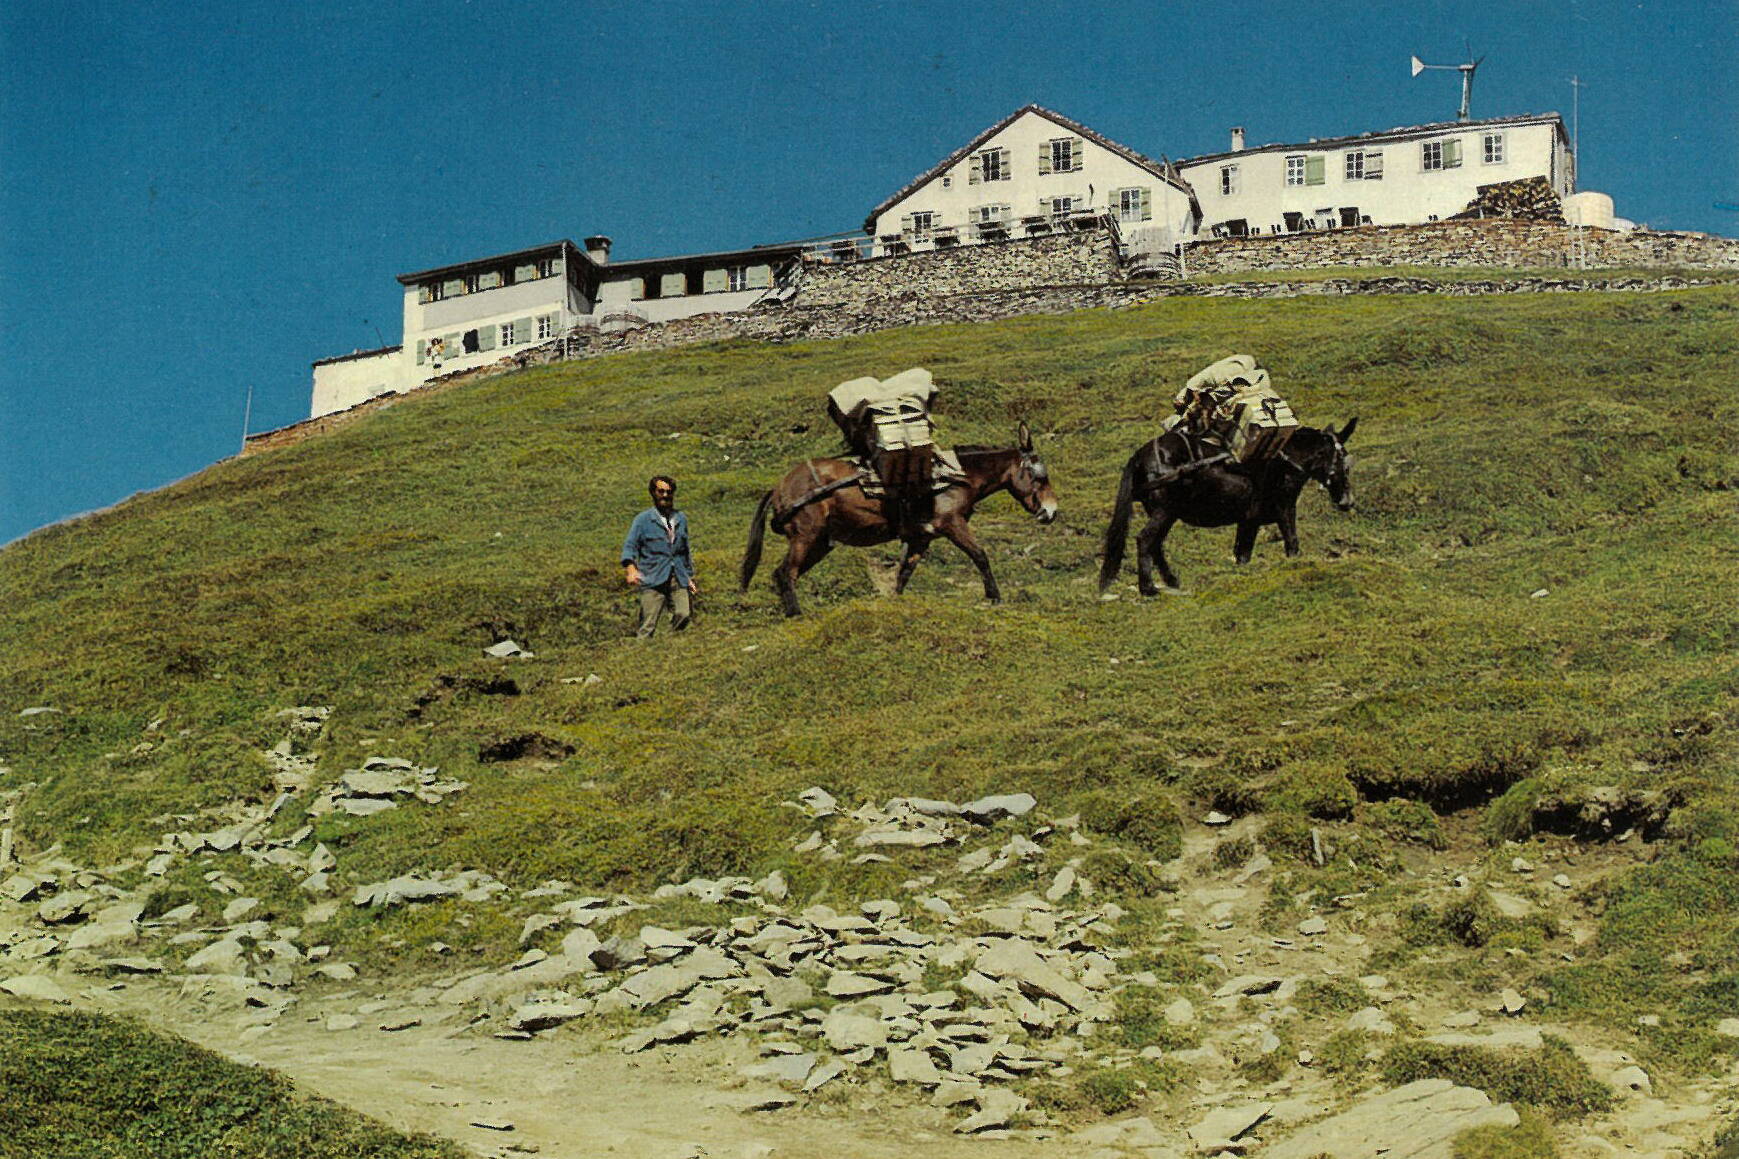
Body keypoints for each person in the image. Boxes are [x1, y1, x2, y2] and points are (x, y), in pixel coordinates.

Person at [621, 475, 697, 638]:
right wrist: (631, 569)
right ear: (653, 493)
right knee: (647, 625)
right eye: (660, 491)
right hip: (652, 576)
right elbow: (630, 546)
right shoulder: (643, 520)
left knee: (684, 614)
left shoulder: (681, 519)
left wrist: (689, 577)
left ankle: (670, 642)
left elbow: (685, 550)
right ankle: (641, 654)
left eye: (669, 492)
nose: (665, 495)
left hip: (678, 575)